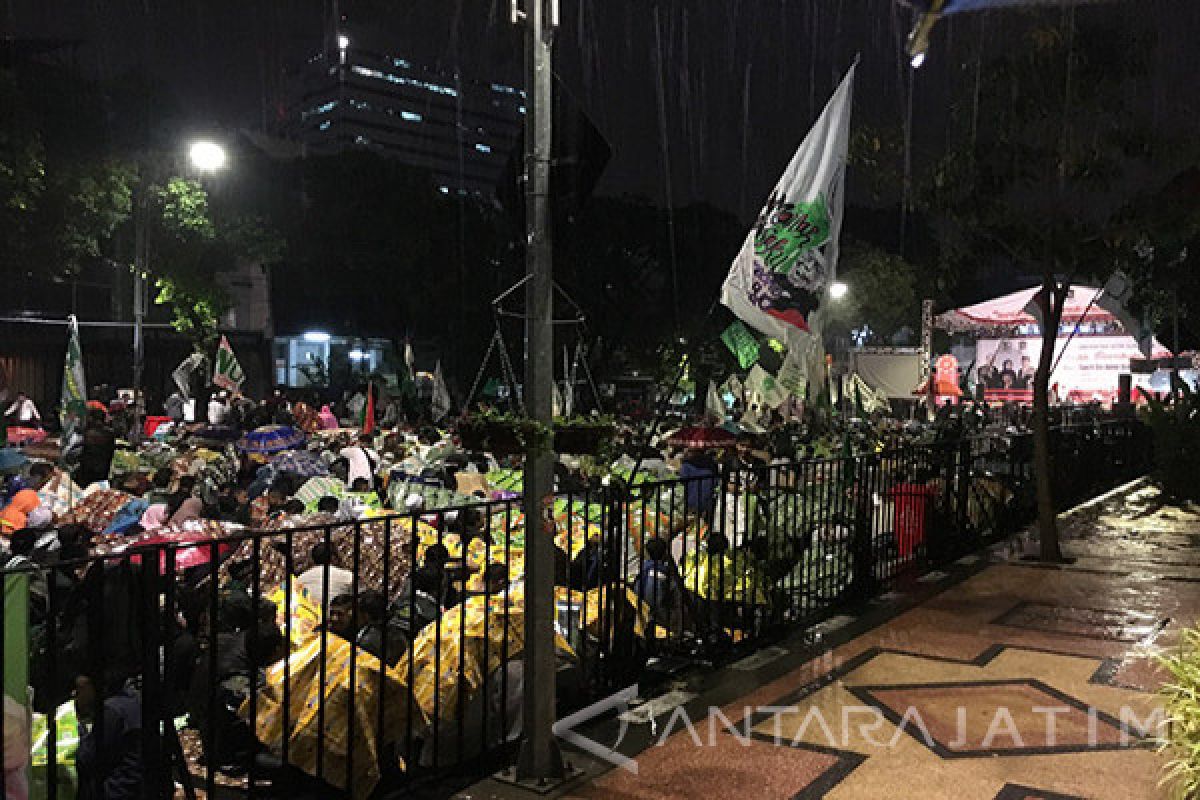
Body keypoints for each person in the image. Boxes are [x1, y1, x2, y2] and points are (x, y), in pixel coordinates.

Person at [296, 542, 353, 609]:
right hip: (331, 617)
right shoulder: (346, 576)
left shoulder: (300, 578)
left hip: (306, 617)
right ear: (333, 557)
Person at [76, 409, 117, 488]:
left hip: (87, 471)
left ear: (91, 418)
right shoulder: (110, 433)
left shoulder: (87, 432)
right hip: (103, 470)